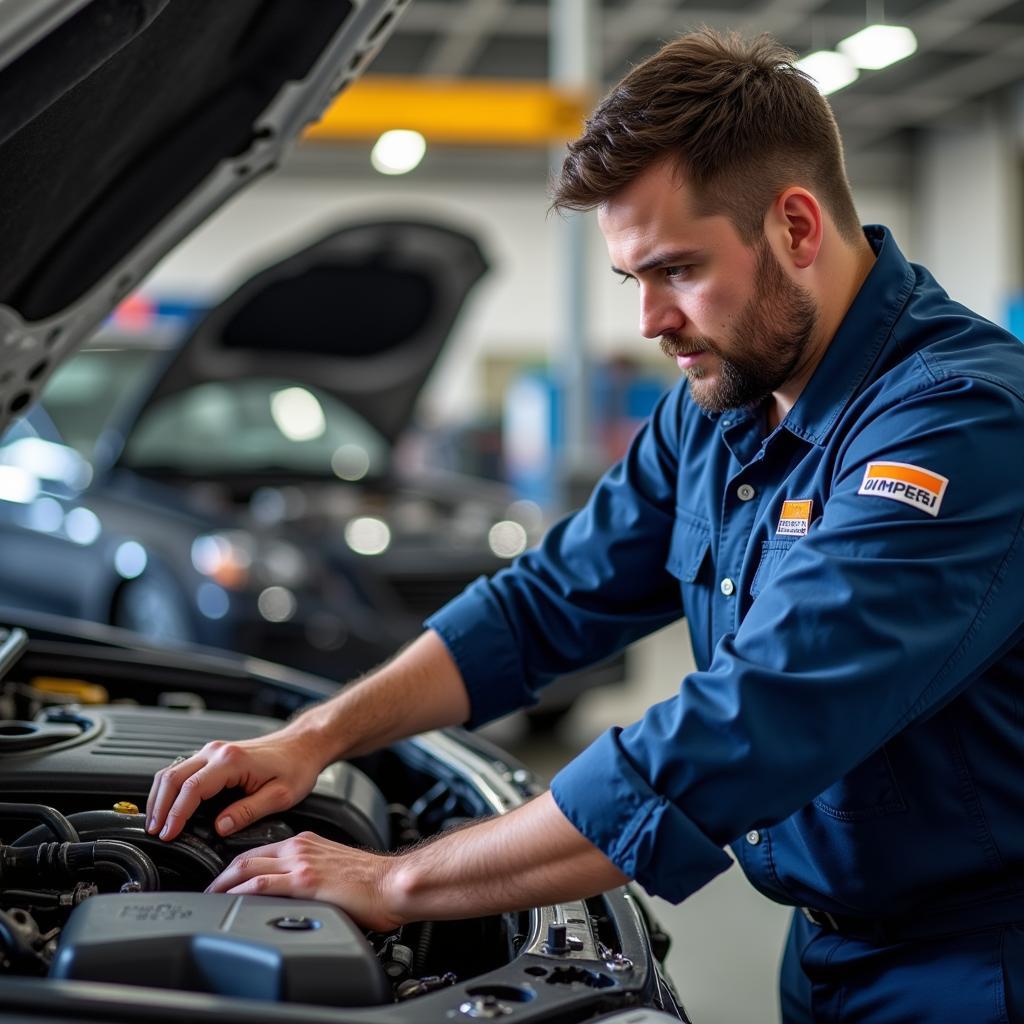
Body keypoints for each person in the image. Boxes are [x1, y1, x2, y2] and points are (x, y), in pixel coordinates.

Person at [146, 30, 1024, 1021]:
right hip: (826, 946)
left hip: (977, 965)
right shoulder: (722, 407)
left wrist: (396, 883)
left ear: (795, 226)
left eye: (677, 270)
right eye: (629, 280)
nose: (648, 321)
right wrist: (311, 739)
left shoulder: (959, 427)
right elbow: (541, 605)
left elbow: (752, 721)